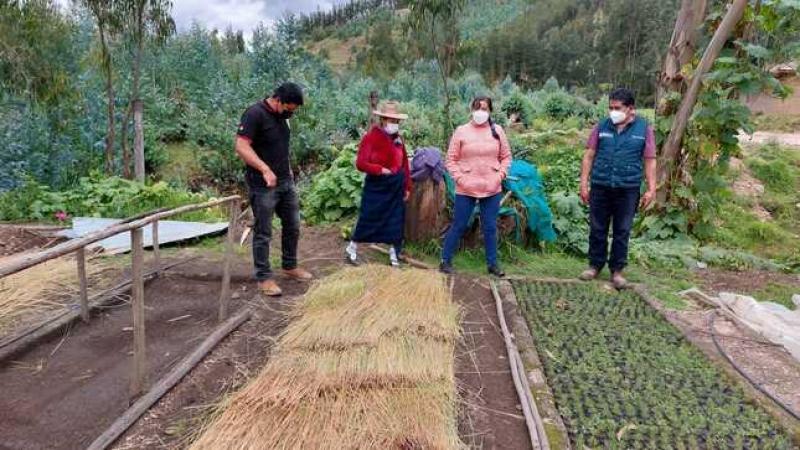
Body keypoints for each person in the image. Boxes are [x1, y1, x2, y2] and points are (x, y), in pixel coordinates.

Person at [235, 82, 313, 297]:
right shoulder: (254, 114)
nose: (291, 112)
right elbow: (241, 146)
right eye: (289, 108)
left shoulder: (283, 118)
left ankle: (289, 265)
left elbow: (281, 147)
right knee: (263, 231)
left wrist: (287, 171)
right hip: (262, 185)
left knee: (293, 225)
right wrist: (265, 169)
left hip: (285, 182)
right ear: (278, 100)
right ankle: (264, 277)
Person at [578, 87, 657, 289]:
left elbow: (649, 160)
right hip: (601, 185)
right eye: (610, 107)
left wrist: (651, 188)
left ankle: (617, 271)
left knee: (622, 230)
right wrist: (584, 183)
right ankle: (595, 266)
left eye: (617, 108)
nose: (613, 111)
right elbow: (588, 155)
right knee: (597, 228)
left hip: (628, 188)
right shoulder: (602, 126)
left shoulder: (644, 129)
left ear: (631, 109)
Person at [440, 96, 512, 276]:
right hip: (466, 187)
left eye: (485, 108)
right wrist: (460, 179)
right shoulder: (461, 131)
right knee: (459, 224)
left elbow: (506, 157)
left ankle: (492, 264)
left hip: (491, 186)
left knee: (489, 226)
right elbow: (451, 159)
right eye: (478, 108)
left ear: (490, 111)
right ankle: (445, 260)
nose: (481, 112)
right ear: (472, 110)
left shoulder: (498, 131)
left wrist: (500, 175)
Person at [345, 101, 412, 267]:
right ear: (382, 119)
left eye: (396, 121)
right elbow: (361, 163)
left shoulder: (399, 140)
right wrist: (380, 170)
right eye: (390, 120)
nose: (394, 124)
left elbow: (404, 165)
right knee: (368, 218)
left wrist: (407, 187)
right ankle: (352, 248)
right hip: (377, 186)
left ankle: (393, 254)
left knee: (395, 221)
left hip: (395, 186)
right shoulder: (371, 138)